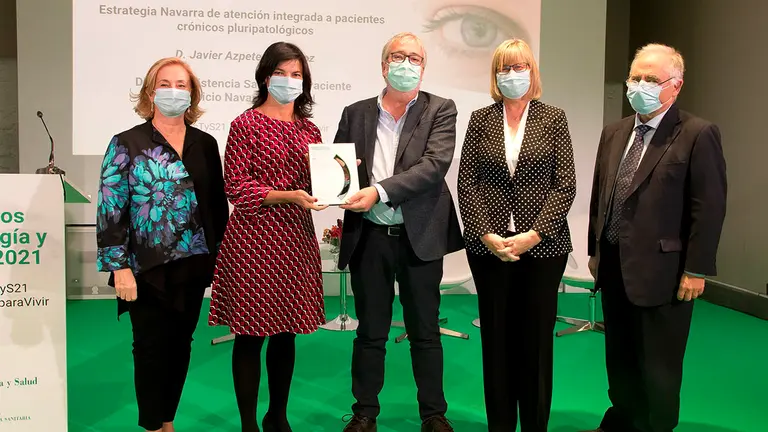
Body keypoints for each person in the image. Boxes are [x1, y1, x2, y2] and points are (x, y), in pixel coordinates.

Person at [584, 44, 727, 432]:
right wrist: (595, 251)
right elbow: (602, 195)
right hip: (614, 265)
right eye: (635, 77)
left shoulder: (697, 134)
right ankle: (622, 418)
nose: (640, 85)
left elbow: (708, 207)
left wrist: (697, 269)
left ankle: (656, 425)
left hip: (665, 272)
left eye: (651, 79)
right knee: (620, 356)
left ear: (675, 87)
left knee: (659, 364)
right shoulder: (614, 132)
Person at [334, 32, 464, 432]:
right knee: (370, 331)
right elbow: (341, 168)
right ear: (383, 64)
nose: (406, 64)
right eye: (398, 56)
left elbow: (433, 166)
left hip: (419, 237)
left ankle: (433, 414)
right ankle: (364, 413)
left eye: (414, 58)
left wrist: (378, 191)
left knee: (424, 330)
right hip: (370, 238)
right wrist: (334, 189)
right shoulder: (355, 112)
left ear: (423, 68)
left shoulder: (440, 109)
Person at [96, 57, 229, 432]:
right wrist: (118, 266)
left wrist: (221, 265)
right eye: (166, 83)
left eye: (182, 84)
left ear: (192, 94)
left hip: (194, 264)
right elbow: (111, 208)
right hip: (145, 269)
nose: (175, 91)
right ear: (151, 91)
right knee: (151, 349)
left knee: (181, 345)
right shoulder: (127, 142)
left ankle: (167, 419)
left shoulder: (205, 144)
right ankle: (155, 425)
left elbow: (216, 207)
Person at [457, 38, 576, 432]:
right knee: (497, 342)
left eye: (519, 66)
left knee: (537, 344)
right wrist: (487, 234)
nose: (512, 75)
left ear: (532, 71)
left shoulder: (553, 118)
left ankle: (535, 425)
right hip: (488, 248)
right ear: (495, 75)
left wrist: (534, 234)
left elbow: (565, 185)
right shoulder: (480, 119)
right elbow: (467, 183)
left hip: (543, 249)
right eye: (504, 68)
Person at [207, 42, 327, 432]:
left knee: (287, 332)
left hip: (295, 240)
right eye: (281, 73)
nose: (289, 81)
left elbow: (319, 185)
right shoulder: (246, 124)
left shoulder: (310, 129)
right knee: (249, 335)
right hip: (253, 241)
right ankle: (248, 424)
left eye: (296, 75)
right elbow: (237, 186)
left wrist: (340, 175)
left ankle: (277, 415)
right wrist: (285, 195)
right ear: (265, 76)